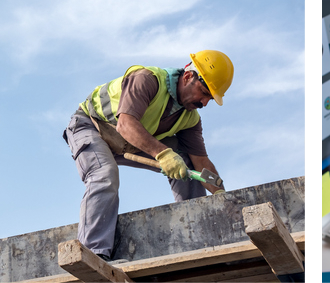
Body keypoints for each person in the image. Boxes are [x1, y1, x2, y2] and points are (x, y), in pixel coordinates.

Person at [63, 50, 232, 261]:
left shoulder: (189, 118)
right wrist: (162, 154)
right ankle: (94, 254)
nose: (204, 102)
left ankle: (198, 236)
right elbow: (125, 124)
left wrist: (220, 193)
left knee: (186, 163)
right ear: (188, 77)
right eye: (204, 92)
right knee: (104, 175)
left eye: (209, 99)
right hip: (92, 126)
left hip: (128, 144)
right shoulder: (147, 79)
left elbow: (201, 162)